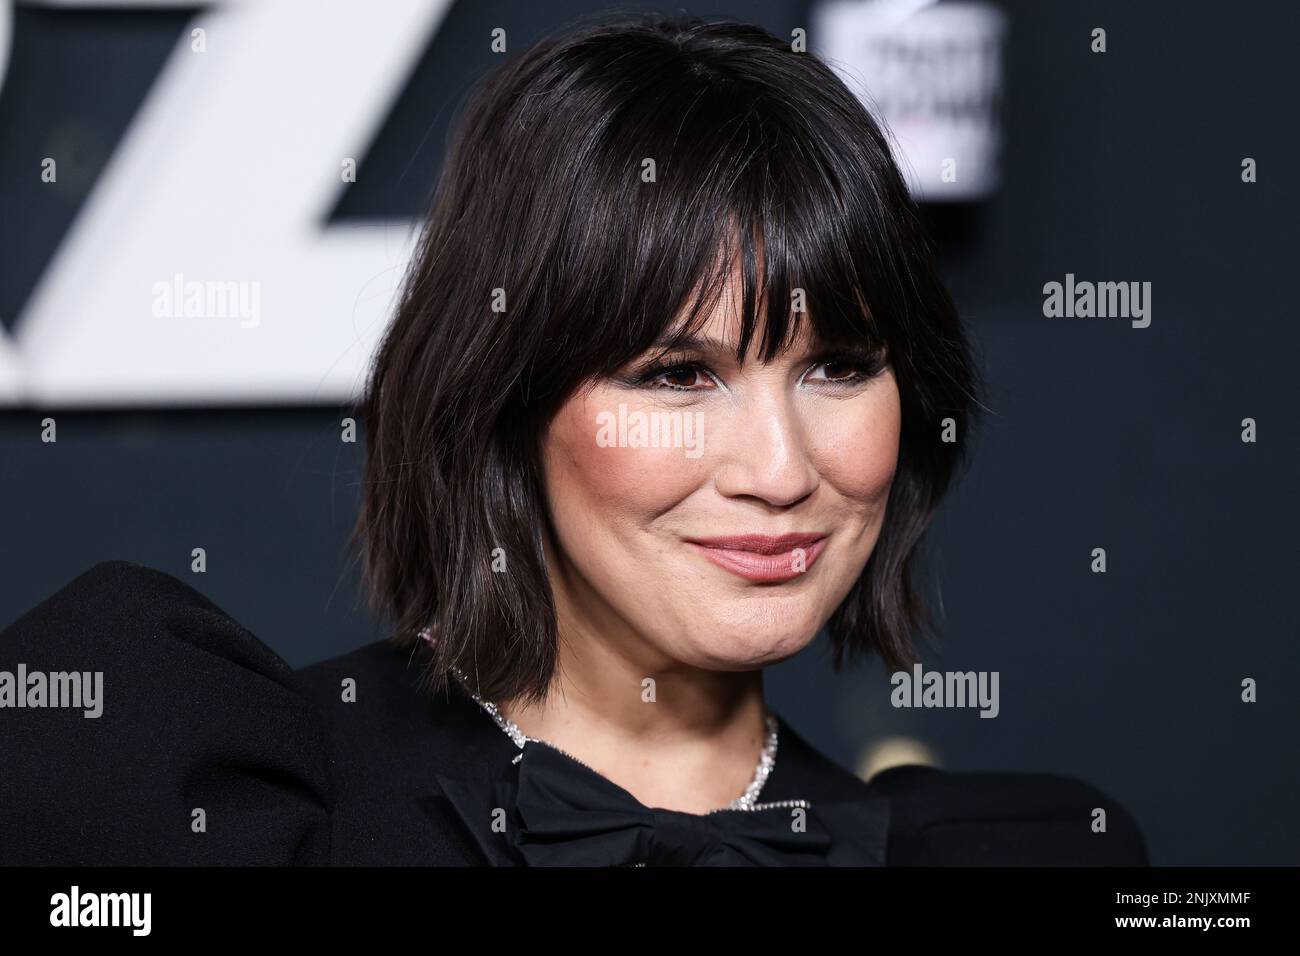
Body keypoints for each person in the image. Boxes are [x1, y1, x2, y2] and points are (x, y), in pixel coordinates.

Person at [0, 14, 1147, 867]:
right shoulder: (210, 793)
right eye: (677, 375)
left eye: (838, 368)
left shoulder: (1000, 851)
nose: (784, 469)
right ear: (500, 392)